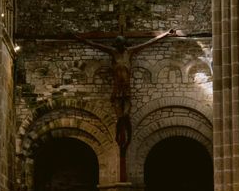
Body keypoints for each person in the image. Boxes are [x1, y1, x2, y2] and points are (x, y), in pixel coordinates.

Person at [73, 29, 175, 180]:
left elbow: (148, 42)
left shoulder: (130, 52)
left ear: (124, 44)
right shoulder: (113, 53)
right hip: (116, 91)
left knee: (125, 115)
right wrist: (77, 38)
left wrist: (165, 34)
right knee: (120, 116)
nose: (119, 46)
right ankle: (120, 139)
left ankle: (125, 139)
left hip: (126, 90)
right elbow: (94, 44)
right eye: (118, 44)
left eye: (121, 44)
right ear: (116, 44)